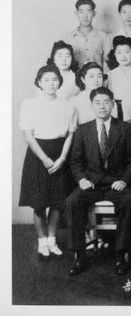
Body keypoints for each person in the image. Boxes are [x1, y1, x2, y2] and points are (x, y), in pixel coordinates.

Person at [67, 87, 131, 276]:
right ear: (91, 105)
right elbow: (75, 161)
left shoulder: (125, 128)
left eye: (106, 102)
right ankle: (79, 255)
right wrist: (81, 179)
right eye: (97, 103)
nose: (102, 106)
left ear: (113, 104)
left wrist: (124, 180)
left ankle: (121, 253)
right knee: (72, 201)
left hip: (116, 183)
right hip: (91, 184)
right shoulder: (83, 130)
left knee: (129, 200)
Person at [19, 64, 77, 259]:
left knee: (58, 201)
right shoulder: (30, 103)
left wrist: (62, 158)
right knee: (39, 202)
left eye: (54, 79)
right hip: (38, 154)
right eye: (46, 80)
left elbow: (70, 134)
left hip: (60, 152)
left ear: (59, 82)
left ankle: (52, 241)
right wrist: (44, 158)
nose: (51, 83)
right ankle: (42, 241)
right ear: (39, 82)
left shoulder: (68, 105)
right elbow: (28, 135)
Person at [62, 0, 106, 68]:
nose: (85, 16)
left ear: (94, 14)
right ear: (76, 14)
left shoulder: (103, 36)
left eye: (88, 12)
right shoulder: (67, 38)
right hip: (74, 78)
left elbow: (107, 62)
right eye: (81, 12)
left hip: (97, 78)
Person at [106, 35, 131, 119]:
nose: (123, 56)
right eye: (119, 52)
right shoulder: (110, 75)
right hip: (115, 113)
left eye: (127, 52)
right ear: (114, 54)